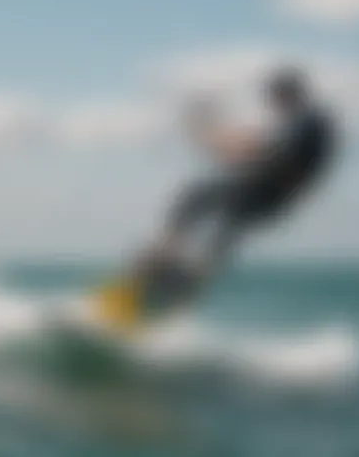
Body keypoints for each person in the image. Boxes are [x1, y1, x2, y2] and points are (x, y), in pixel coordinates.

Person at [134, 67, 339, 307]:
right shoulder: (304, 122)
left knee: (195, 199)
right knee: (221, 231)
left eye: (273, 98)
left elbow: (272, 154)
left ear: (285, 94)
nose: (271, 105)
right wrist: (230, 145)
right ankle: (181, 280)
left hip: (262, 190)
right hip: (272, 195)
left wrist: (219, 140)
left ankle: (162, 260)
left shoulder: (306, 120)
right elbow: (267, 149)